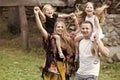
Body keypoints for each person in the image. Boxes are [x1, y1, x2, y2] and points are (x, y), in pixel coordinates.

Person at [34, 7, 76, 80]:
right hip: (52, 66)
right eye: (58, 27)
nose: (60, 28)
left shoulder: (68, 39)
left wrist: (75, 19)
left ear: (64, 28)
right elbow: (41, 28)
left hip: (63, 67)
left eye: (62, 27)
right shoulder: (51, 38)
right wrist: (36, 15)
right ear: (55, 28)